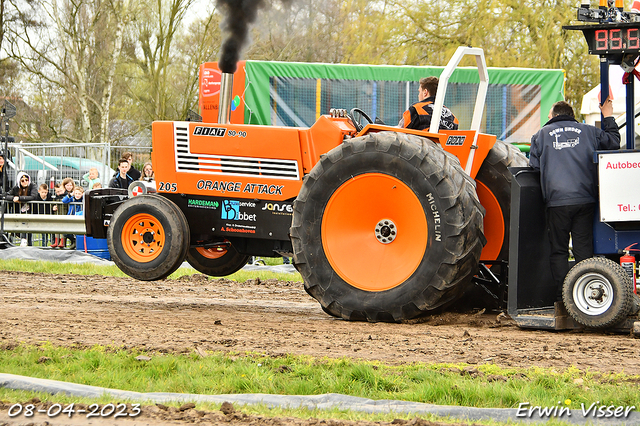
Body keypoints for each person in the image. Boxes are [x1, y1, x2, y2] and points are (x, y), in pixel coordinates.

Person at [529, 98, 620, 300]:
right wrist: (608, 116)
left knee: (559, 251)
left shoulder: (540, 135)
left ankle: (565, 297)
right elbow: (614, 143)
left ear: (553, 116)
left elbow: (534, 169)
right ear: (571, 115)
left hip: (556, 202)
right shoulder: (589, 131)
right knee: (583, 250)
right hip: (585, 200)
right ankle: (586, 296)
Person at [5, 171, 37, 246]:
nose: (25, 182)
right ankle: (18, 241)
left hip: (30, 210)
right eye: (22, 180)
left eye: (26, 180)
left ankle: (29, 244)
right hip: (19, 211)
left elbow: (33, 196)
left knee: (28, 228)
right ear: (19, 181)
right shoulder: (16, 188)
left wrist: (20, 198)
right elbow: (7, 195)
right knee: (19, 226)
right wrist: (13, 198)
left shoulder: (32, 186)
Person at [62, 185, 84, 250]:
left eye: (79, 194)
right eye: (76, 193)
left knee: (79, 233)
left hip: (80, 218)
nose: (77, 195)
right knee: (65, 232)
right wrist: (70, 194)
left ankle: (77, 244)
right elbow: (64, 200)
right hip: (71, 217)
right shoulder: (72, 198)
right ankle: (73, 240)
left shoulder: (83, 200)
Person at [50, 183, 67, 247]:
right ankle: (56, 242)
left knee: (63, 229)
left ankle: (62, 242)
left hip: (64, 215)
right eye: (57, 191)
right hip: (57, 215)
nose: (59, 193)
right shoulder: (55, 198)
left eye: (60, 191)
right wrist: (53, 207)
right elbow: (52, 205)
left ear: (64, 189)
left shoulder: (66, 197)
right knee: (56, 229)